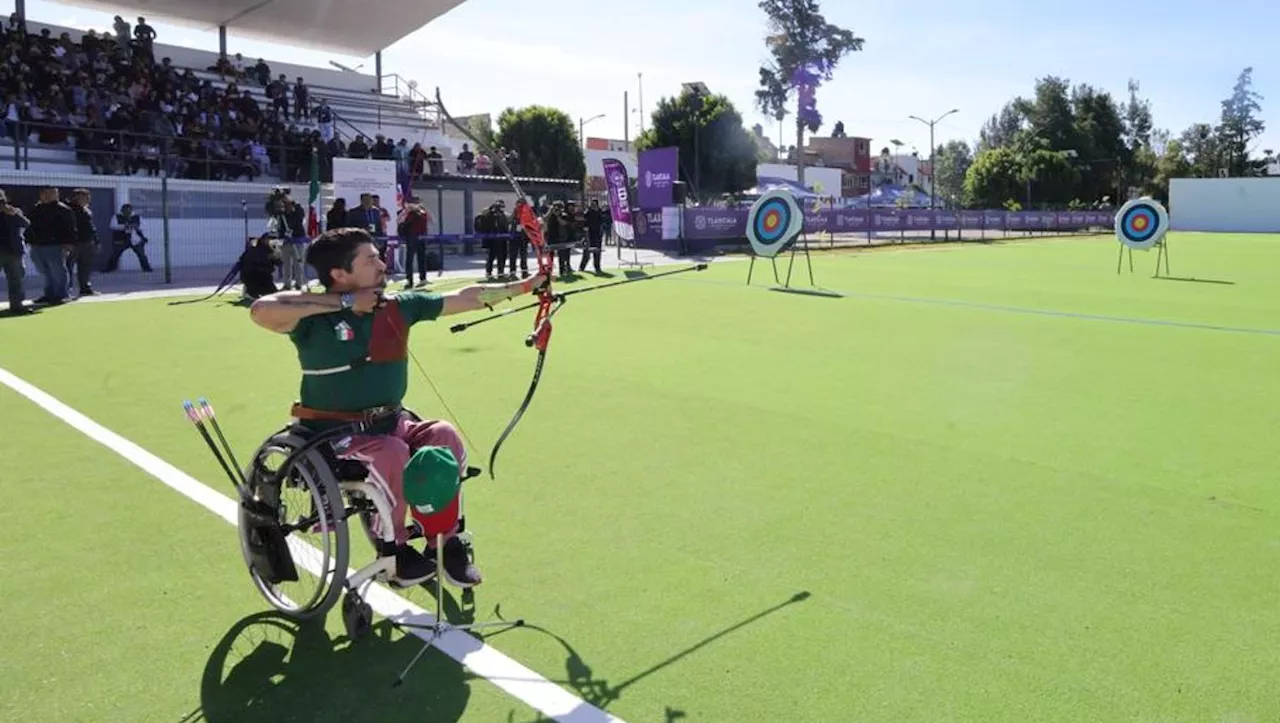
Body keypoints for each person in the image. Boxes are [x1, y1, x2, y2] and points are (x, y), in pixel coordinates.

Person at [249, 227, 546, 587]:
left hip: (392, 423)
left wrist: (528, 285)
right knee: (391, 452)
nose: (382, 263)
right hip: (332, 435)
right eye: (370, 259)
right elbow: (261, 310)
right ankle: (395, 547)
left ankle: (446, 540)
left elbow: (466, 298)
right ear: (339, 275)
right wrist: (346, 304)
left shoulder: (397, 306)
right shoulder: (313, 317)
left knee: (442, 436)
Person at [0, 190, 32, 315]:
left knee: (16, 280)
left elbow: (26, 224)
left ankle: (17, 306)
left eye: (2, 201)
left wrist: (14, 214)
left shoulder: (14, 211)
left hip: (13, 251)